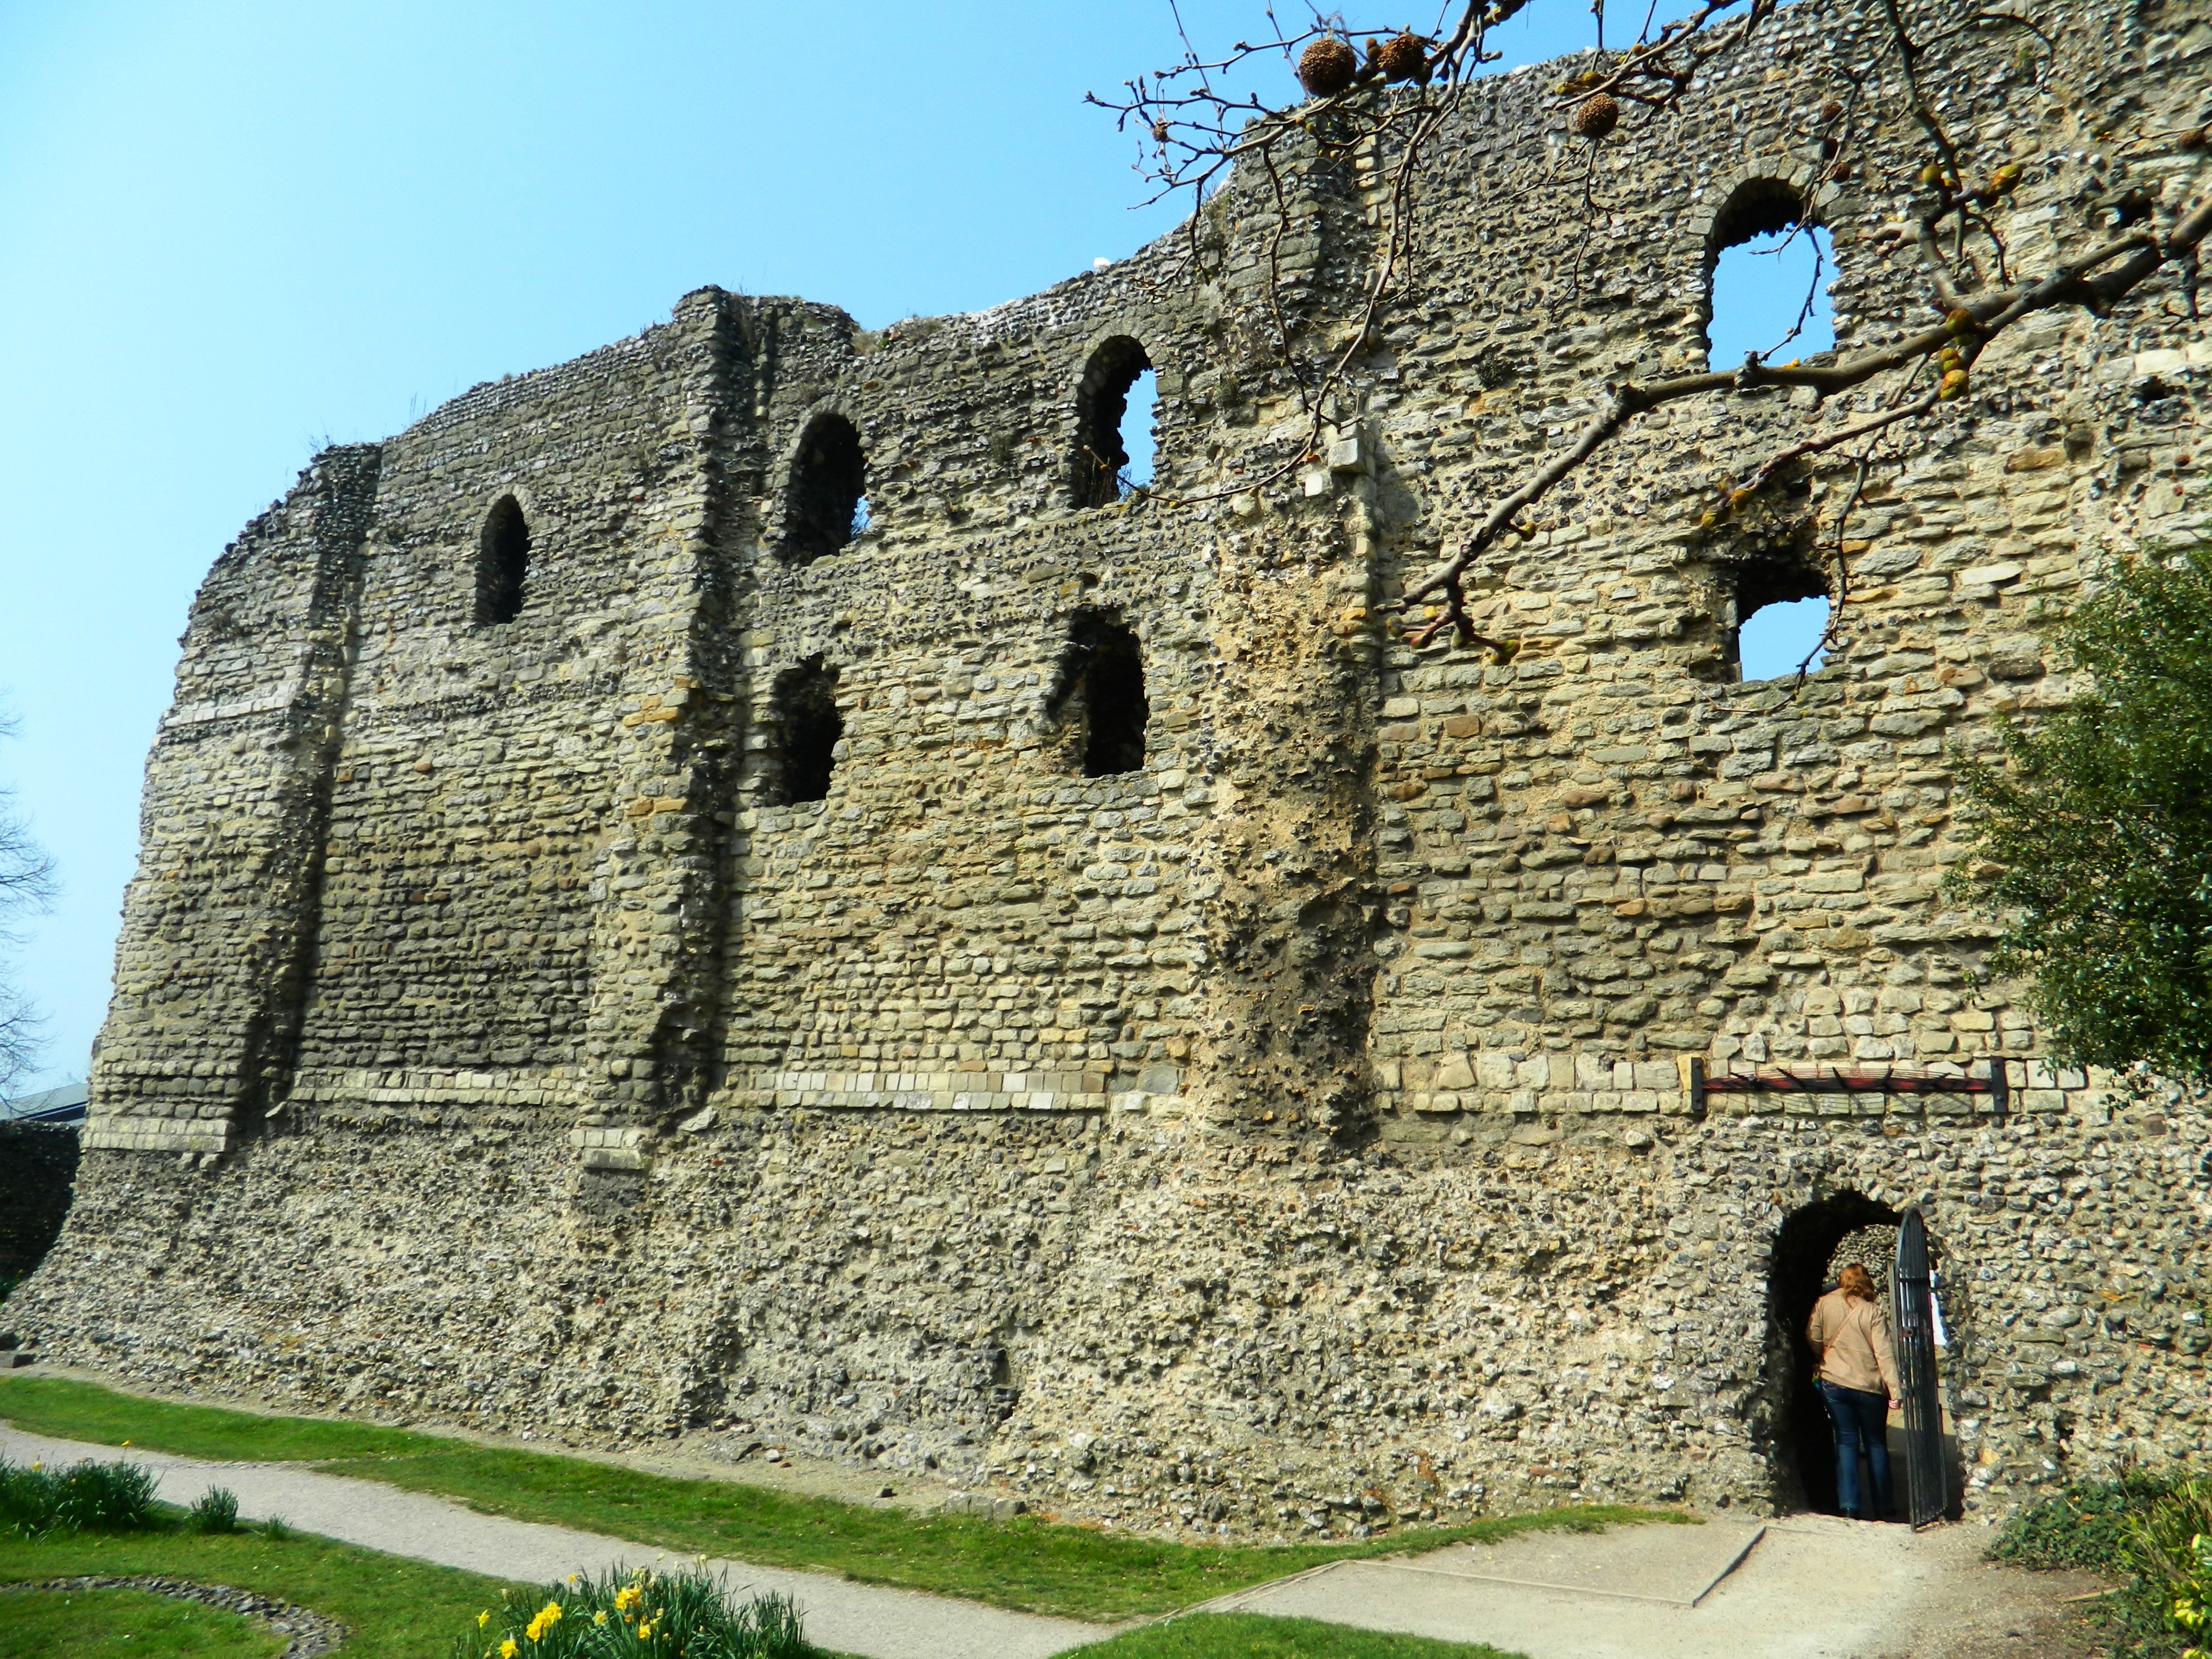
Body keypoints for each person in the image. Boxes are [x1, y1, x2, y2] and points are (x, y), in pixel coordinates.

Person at [1807, 1262, 1900, 1520]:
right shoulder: (1872, 1311)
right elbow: (1884, 1353)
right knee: (1876, 1444)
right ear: (1866, 1282)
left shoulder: (1824, 1303)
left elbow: (1814, 1337)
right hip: (1869, 1386)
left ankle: (1849, 1506)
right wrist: (1895, 1390)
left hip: (1834, 1381)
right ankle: (1884, 1507)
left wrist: (1824, 1357)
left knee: (1846, 1442)